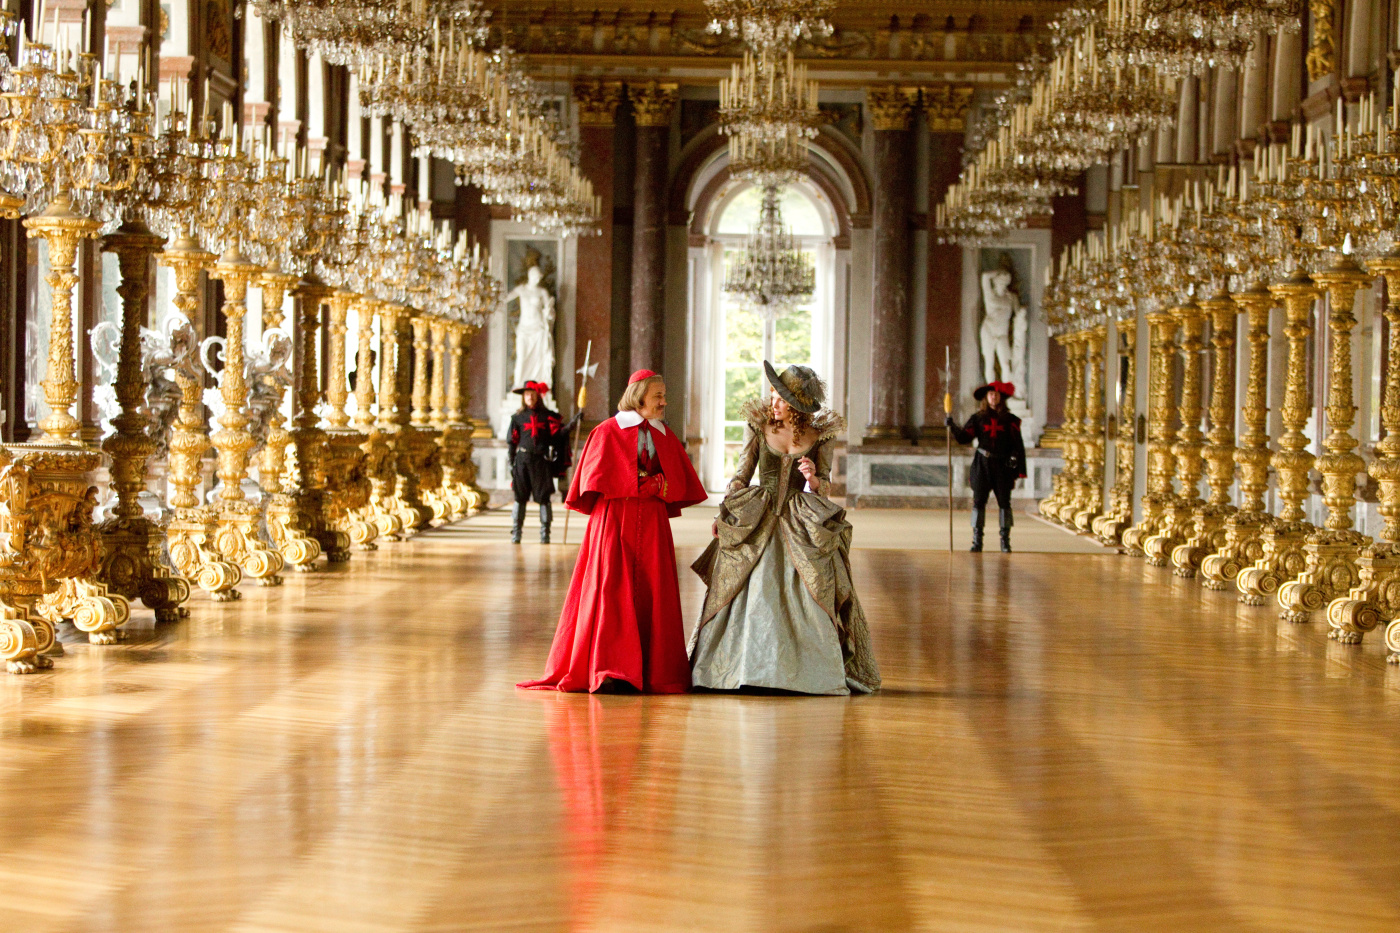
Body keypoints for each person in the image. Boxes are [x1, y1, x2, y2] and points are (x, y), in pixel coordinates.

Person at [689, 362, 881, 696]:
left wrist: (811, 478)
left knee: (815, 585)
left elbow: (823, 486)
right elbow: (741, 475)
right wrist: (727, 512)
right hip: (758, 516)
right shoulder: (758, 424)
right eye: (774, 394)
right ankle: (740, 668)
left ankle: (803, 671)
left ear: (798, 405)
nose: (773, 401)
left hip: (799, 518)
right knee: (748, 588)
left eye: (780, 397)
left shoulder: (821, 435)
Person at [518, 370, 707, 694]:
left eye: (663, 395)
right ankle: (610, 668)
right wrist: (633, 482)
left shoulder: (665, 434)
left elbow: (677, 479)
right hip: (613, 523)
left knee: (652, 589)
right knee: (609, 588)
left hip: (652, 526)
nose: (664, 402)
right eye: (658, 395)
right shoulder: (608, 431)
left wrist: (659, 484)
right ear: (639, 397)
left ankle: (653, 670)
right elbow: (596, 476)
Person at [946, 380, 1026, 553]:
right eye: (990, 394)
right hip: (983, 464)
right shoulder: (978, 418)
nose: (993, 396)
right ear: (986, 397)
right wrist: (952, 426)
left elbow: (1017, 445)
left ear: (1001, 397)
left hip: (1002, 466)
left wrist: (1013, 462)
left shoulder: (1010, 420)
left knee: (1005, 503)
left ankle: (1005, 541)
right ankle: (977, 541)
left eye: (996, 394)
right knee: (978, 502)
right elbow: (964, 438)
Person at [506, 380, 576, 544]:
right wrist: (511, 462)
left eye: (532, 393)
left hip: (540, 462)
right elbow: (512, 441)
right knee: (519, 498)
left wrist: (571, 425)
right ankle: (516, 533)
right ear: (523, 397)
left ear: (538, 395)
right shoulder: (517, 418)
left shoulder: (548, 416)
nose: (529, 397)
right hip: (522, 461)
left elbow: (557, 436)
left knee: (544, 498)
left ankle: (545, 533)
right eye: (526, 394)